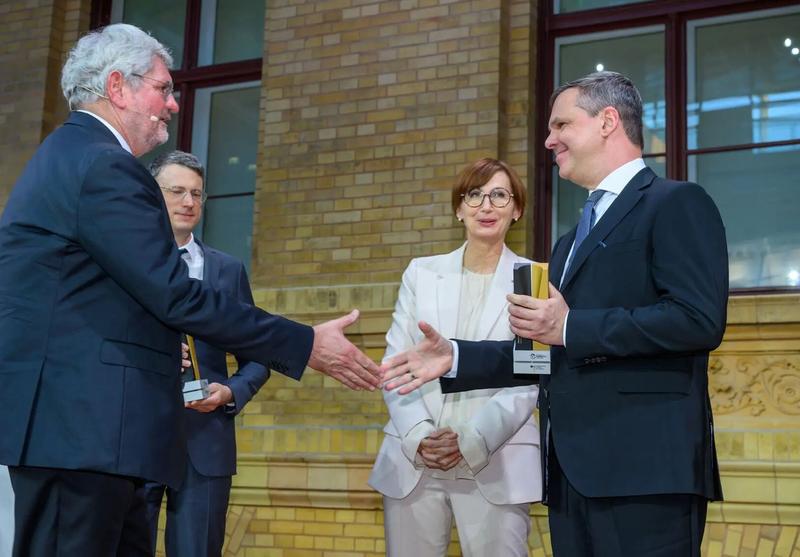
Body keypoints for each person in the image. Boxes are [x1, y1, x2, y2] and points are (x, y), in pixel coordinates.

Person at [0, 24, 380, 557]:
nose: (174, 105)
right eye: (163, 88)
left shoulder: (73, 157)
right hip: (83, 437)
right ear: (118, 87)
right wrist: (304, 343)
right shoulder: (102, 166)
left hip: (93, 436)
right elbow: (175, 293)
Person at [382, 71, 729, 556]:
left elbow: (697, 319)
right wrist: (457, 359)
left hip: (645, 470)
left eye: (561, 125)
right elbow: (539, 356)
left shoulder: (675, 203)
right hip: (571, 474)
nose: (549, 140)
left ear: (607, 121)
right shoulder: (568, 244)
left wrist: (569, 325)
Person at [368, 159, 540, 557]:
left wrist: (472, 440)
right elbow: (396, 365)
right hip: (414, 461)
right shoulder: (422, 273)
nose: (486, 206)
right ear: (458, 208)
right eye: (474, 195)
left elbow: (532, 377)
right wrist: (419, 436)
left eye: (499, 195)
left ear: (516, 210)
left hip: (498, 459)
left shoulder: (535, 280)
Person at [137, 151, 265, 556]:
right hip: (134, 435)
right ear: (152, 195)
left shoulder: (227, 271)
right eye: (176, 191)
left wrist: (230, 392)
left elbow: (258, 356)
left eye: (196, 193)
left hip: (205, 441)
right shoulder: (124, 262)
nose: (188, 202)